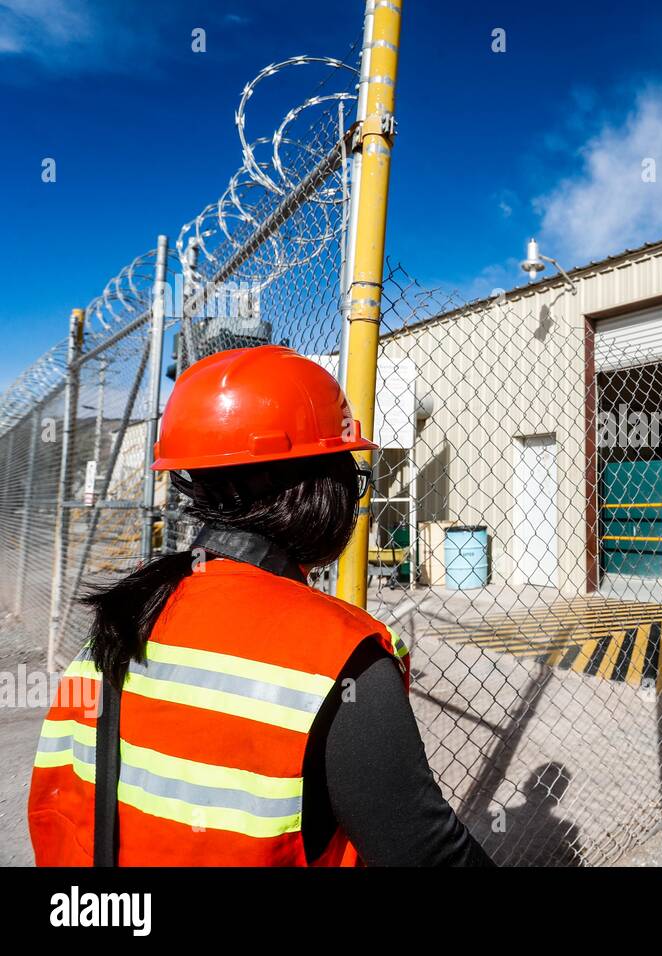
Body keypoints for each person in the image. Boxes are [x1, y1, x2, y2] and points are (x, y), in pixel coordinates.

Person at [28, 345, 492, 867]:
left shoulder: (124, 613)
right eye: (349, 475)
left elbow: (55, 809)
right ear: (320, 490)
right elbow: (428, 853)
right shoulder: (343, 655)